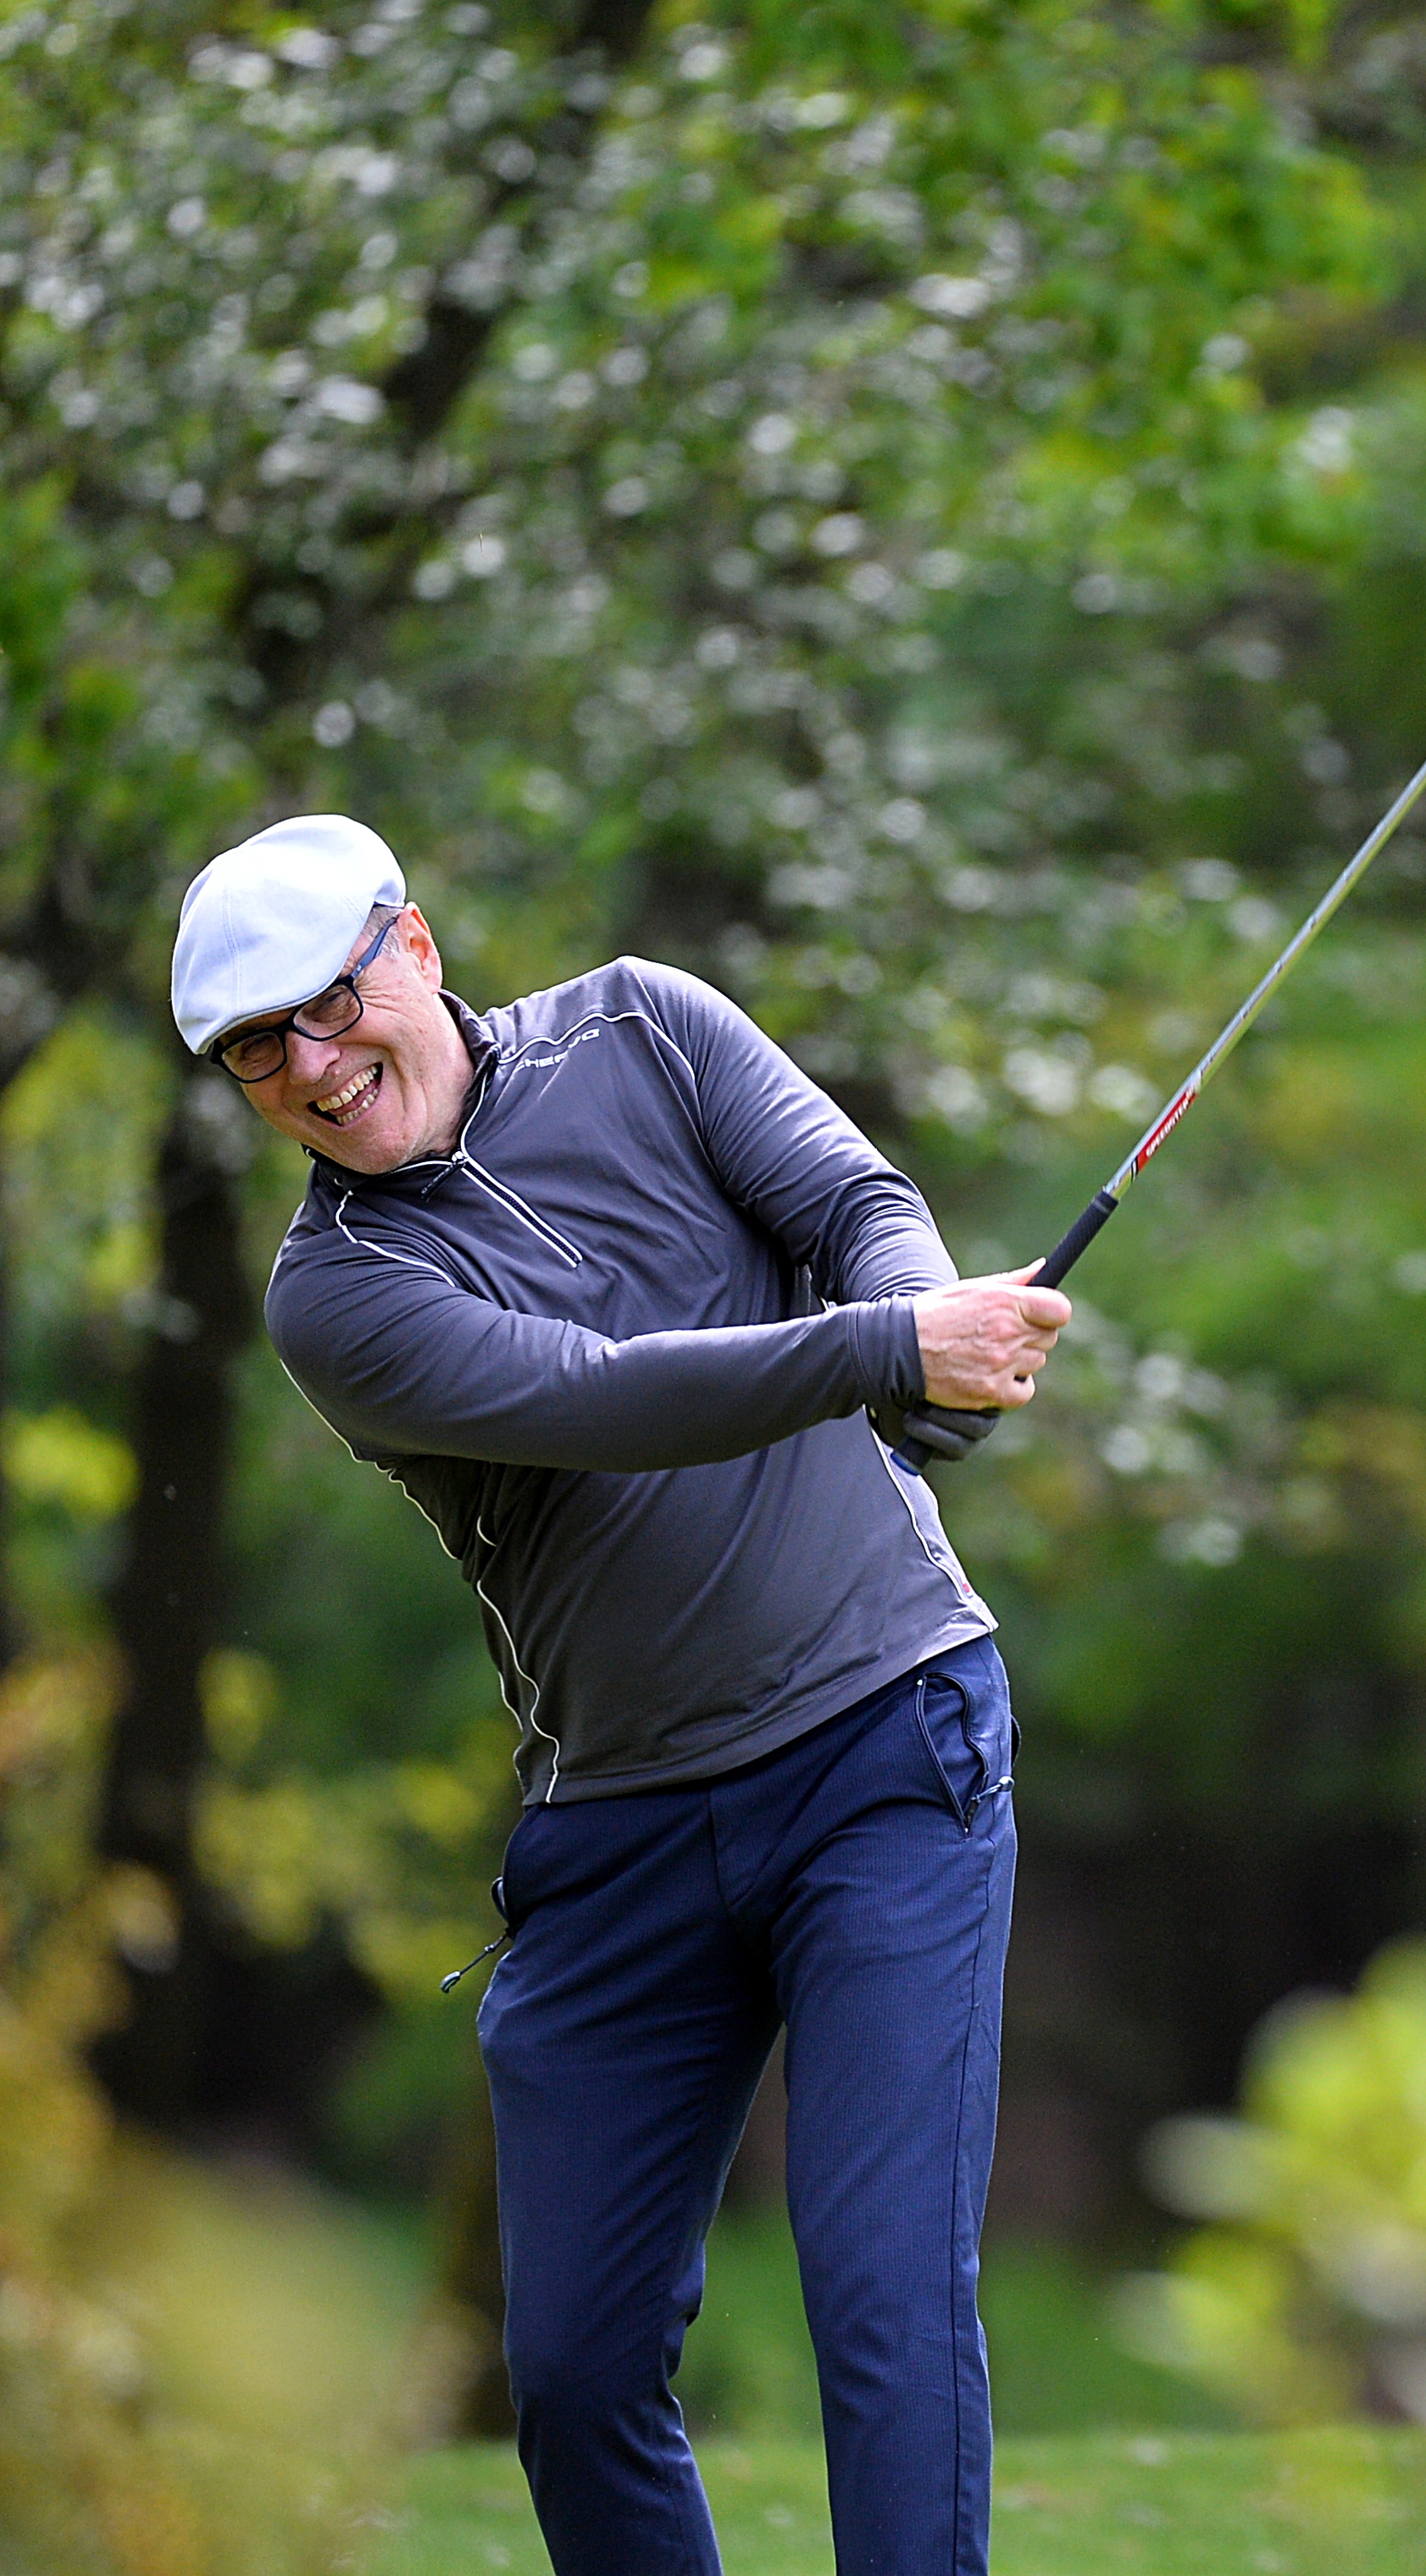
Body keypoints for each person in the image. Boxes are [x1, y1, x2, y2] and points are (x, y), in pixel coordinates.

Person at [172, 812, 1068, 2576]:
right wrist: (891, 1346)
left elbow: (854, 1206)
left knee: (883, 2302)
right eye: (257, 1050)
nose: (313, 1068)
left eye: (328, 1003)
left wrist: (925, 1336)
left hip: (886, 1748)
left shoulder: (645, 1023)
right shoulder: (336, 1295)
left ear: (414, 946)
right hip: (622, 1834)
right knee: (575, 2371)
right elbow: (600, 1393)